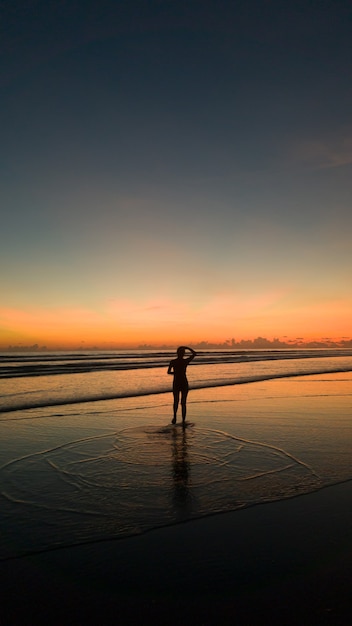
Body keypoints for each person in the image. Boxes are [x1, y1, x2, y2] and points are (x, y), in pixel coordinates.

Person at [167, 346, 197, 424]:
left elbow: (168, 372)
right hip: (183, 382)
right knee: (183, 402)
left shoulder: (173, 361)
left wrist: (175, 373)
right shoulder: (185, 361)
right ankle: (182, 420)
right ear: (183, 353)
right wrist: (187, 347)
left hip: (177, 382)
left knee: (176, 401)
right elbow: (194, 354)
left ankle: (175, 417)